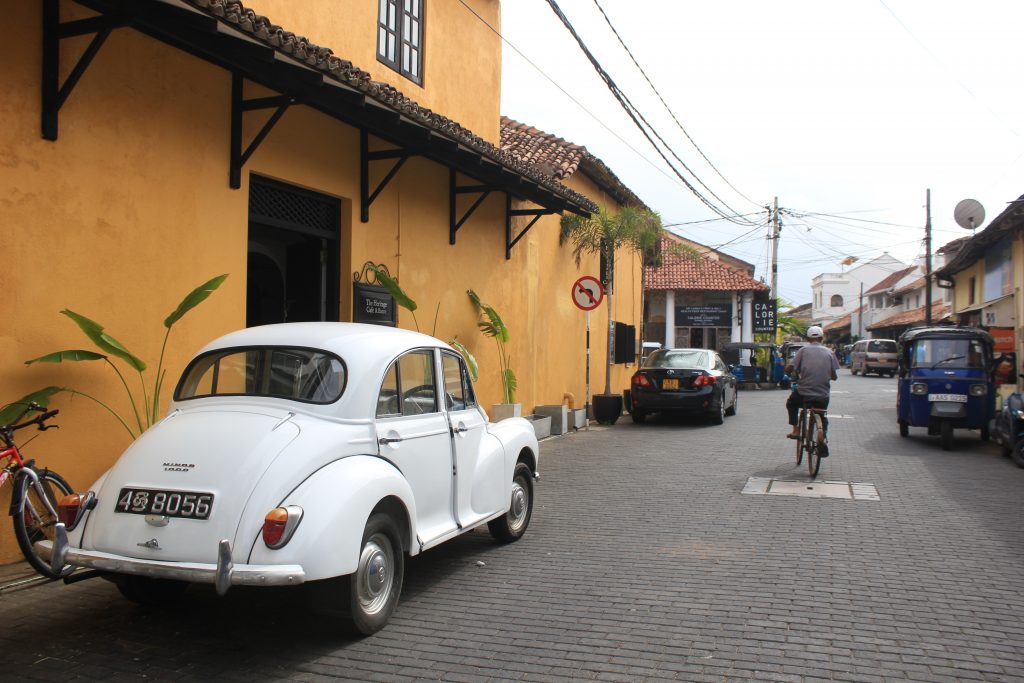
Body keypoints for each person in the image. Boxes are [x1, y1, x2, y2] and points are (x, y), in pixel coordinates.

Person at [786, 326, 840, 452]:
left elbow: (791, 367)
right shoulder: (829, 352)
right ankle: (823, 438)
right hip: (822, 395)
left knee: (791, 404)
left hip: (804, 392)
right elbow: (834, 376)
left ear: (808, 338)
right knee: (821, 415)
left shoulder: (803, 351)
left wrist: (788, 369)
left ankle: (796, 430)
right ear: (822, 338)